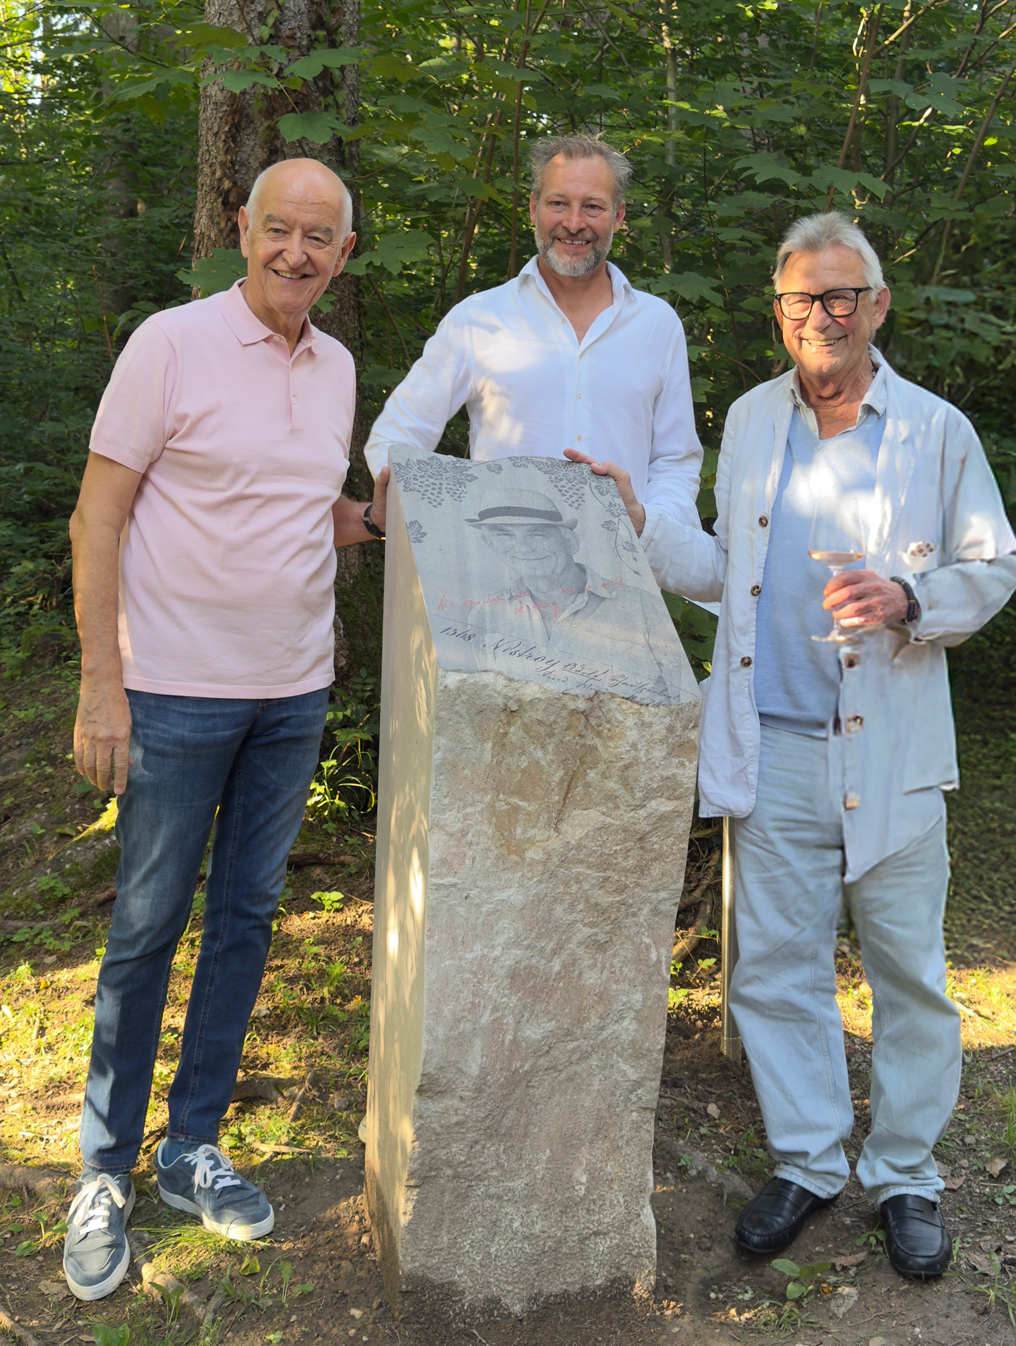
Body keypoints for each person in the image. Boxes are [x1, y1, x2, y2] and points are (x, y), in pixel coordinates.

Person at [569, 212, 1016, 1280]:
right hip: (767, 741)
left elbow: (993, 565)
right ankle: (811, 1159)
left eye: (839, 296)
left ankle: (905, 1171)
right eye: (798, 300)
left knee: (906, 973)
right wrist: (637, 518)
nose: (820, 316)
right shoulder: (750, 419)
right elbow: (728, 566)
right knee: (772, 971)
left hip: (890, 748)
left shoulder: (933, 430)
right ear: (777, 315)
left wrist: (911, 595)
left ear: (875, 306)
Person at [63, 158, 388, 1302]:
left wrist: (408, 511)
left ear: (345, 254)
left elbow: (307, 513)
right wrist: (103, 686)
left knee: (245, 917)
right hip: (173, 693)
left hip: (292, 694)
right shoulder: (169, 344)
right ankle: (102, 1168)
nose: (296, 253)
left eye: (320, 238)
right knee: (147, 927)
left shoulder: (337, 364)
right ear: (240, 228)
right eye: (278, 231)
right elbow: (98, 517)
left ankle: (189, 1143)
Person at [364, 134, 702, 529]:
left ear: (619, 216)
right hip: (498, 577)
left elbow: (674, 460)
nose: (574, 224)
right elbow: (397, 437)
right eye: (558, 203)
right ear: (532, 208)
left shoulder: (658, 325)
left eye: (592, 207)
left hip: (624, 572)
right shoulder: (477, 320)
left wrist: (650, 524)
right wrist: (444, 527)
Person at [450, 487, 675, 703]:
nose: (524, 548)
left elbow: (680, 700)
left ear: (570, 541)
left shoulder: (642, 607)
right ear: (489, 544)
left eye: (538, 534)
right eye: (505, 535)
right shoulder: (485, 615)